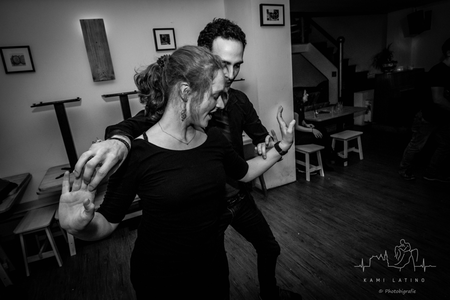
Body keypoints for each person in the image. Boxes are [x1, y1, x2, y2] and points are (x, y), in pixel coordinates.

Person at [73, 18, 302, 300]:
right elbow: (132, 127)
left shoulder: (234, 106)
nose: (231, 74)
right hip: (189, 231)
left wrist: (275, 144)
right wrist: (120, 143)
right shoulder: (170, 116)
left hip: (234, 204)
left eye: (237, 64)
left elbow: (251, 153)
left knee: (261, 250)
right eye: (223, 63)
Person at [398, 37, 450, 182]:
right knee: (416, 146)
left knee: (446, 145)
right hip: (428, 117)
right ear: (449, 52)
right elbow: (438, 99)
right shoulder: (439, 71)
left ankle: (431, 173)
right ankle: (404, 170)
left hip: (443, 118)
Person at [294, 89, 342, 171]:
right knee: (319, 137)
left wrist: (306, 124)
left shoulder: (301, 106)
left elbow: (301, 120)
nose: (307, 95)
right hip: (298, 137)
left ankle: (330, 154)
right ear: (300, 96)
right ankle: (325, 160)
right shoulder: (295, 108)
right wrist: (312, 130)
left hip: (302, 132)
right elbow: (296, 127)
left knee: (322, 130)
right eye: (305, 94)